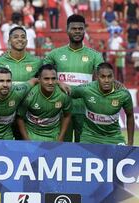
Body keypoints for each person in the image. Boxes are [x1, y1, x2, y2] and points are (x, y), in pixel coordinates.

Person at [43, 14, 104, 142]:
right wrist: (59, 82)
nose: (77, 31)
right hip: (61, 108)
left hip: (86, 109)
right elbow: (42, 74)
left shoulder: (95, 56)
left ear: (84, 30)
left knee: (84, 147)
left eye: (80, 28)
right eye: (74, 28)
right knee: (61, 147)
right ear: (67, 30)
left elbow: (103, 77)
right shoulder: (55, 54)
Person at [70, 62, 134, 145]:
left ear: (114, 77)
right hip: (89, 137)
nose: (106, 80)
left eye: (109, 77)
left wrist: (130, 143)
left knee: (123, 157)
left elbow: (130, 115)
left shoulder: (123, 94)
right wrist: (58, 83)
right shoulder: (86, 90)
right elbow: (68, 91)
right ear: (97, 77)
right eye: (103, 77)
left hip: (114, 138)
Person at [17, 64, 72, 142]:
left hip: (54, 134)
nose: (50, 82)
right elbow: (19, 117)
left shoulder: (63, 95)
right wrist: (26, 139)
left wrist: (61, 137)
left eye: (53, 79)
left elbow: (67, 115)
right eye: (46, 79)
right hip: (32, 133)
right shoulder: (29, 95)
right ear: (39, 79)